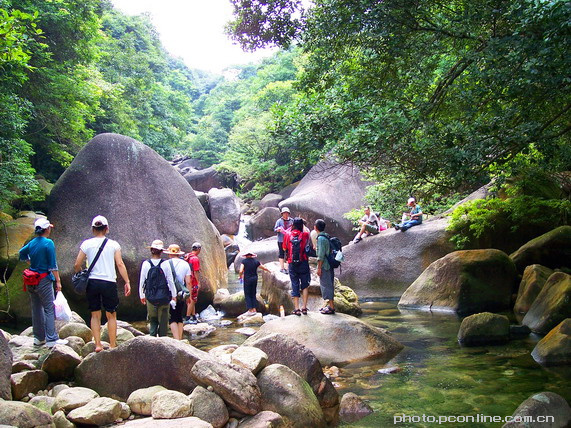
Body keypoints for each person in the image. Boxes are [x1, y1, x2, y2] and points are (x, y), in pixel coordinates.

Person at [74, 215, 131, 352]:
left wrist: (81, 273)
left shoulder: (86, 244)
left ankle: (98, 345)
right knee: (111, 314)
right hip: (109, 281)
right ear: (107, 229)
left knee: (95, 314)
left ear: (93, 229)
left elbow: (77, 264)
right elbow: (120, 263)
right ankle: (112, 345)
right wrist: (127, 281)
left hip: (92, 282)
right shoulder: (113, 244)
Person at [19, 218, 68, 347]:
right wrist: (58, 281)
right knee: (49, 308)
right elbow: (53, 265)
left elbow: (21, 253)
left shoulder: (32, 243)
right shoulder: (48, 243)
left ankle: (39, 338)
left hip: (31, 280)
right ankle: (51, 338)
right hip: (44, 280)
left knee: (36, 309)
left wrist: (30, 262)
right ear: (47, 229)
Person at [139, 240, 176, 337]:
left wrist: (142, 295)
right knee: (163, 321)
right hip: (164, 296)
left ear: (151, 250)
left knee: (153, 320)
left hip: (150, 296)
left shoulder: (146, 264)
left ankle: (152, 339)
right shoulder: (165, 264)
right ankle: (163, 340)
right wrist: (174, 295)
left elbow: (142, 281)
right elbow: (170, 280)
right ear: (161, 251)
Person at [282, 217, 311, 315]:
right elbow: (308, 231)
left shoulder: (287, 234)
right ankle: (304, 308)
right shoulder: (305, 234)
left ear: (293, 224)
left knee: (295, 284)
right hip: (303, 262)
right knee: (305, 285)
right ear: (302, 225)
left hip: (292, 263)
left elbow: (284, 248)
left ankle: (297, 308)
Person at [163, 244, 191, 340]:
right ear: (179, 254)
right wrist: (189, 296)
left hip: (169, 292)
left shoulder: (165, 264)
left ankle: (176, 340)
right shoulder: (185, 264)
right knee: (179, 315)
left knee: (172, 317)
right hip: (181, 293)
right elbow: (188, 282)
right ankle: (180, 338)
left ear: (169, 254)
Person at [238, 252, 270, 317]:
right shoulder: (256, 261)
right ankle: (254, 309)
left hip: (247, 279)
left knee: (248, 294)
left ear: (246, 256)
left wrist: (240, 276)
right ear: (252, 256)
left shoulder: (244, 261)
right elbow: (263, 268)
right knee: (253, 293)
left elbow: (241, 271)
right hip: (254, 279)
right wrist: (270, 271)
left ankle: (250, 310)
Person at [315, 219, 335, 314]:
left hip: (325, 265)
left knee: (326, 285)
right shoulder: (326, 236)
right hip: (329, 264)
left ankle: (331, 307)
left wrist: (319, 268)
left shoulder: (320, 238)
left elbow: (321, 255)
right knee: (329, 284)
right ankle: (330, 305)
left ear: (315, 227)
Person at [183, 242, 202, 325]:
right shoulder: (195, 259)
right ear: (198, 249)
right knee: (193, 299)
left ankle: (193, 316)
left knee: (191, 298)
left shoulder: (187, 256)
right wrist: (198, 282)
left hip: (186, 279)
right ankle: (187, 318)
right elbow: (196, 271)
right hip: (193, 280)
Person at [274, 207, 294, 274]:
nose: (286, 215)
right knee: (281, 253)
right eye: (284, 213)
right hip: (281, 240)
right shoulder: (279, 221)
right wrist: (278, 230)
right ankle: (282, 268)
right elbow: (275, 229)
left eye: (287, 213)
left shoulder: (292, 220)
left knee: (289, 254)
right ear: (282, 214)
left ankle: (288, 267)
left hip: (289, 240)